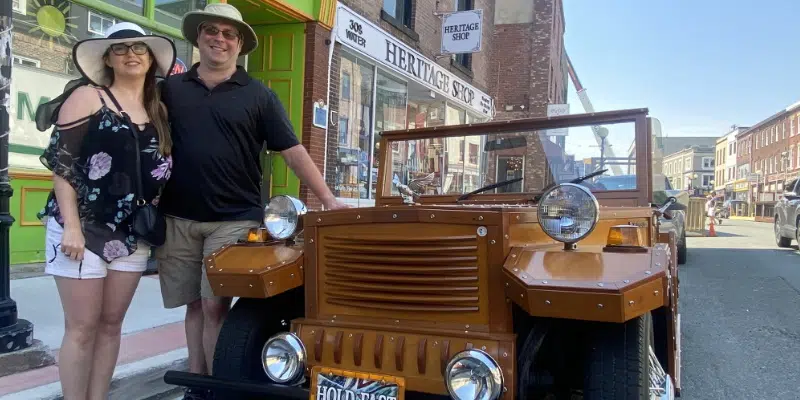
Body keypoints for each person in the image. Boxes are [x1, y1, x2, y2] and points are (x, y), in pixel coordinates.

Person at [155, 4, 348, 399]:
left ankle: (217, 387)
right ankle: (197, 381)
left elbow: (292, 149)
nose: (219, 39)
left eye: (229, 34)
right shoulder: (169, 90)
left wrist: (327, 198)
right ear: (198, 37)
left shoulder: (259, 95)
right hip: (177, 217)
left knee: (215, 308)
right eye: (212, 31)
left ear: (239, 45)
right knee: (192, 305)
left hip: (234, 219)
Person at [36, 22, 176, 399]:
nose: (131, 54)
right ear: (108, 59)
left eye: (140, 49)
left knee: (112, 325)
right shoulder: (88, 97)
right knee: (81, 328)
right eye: (121, 49)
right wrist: (72, 226)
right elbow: (62, 165)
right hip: (82, 227)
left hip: (132, 233)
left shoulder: (158, 110)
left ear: (150, 60)